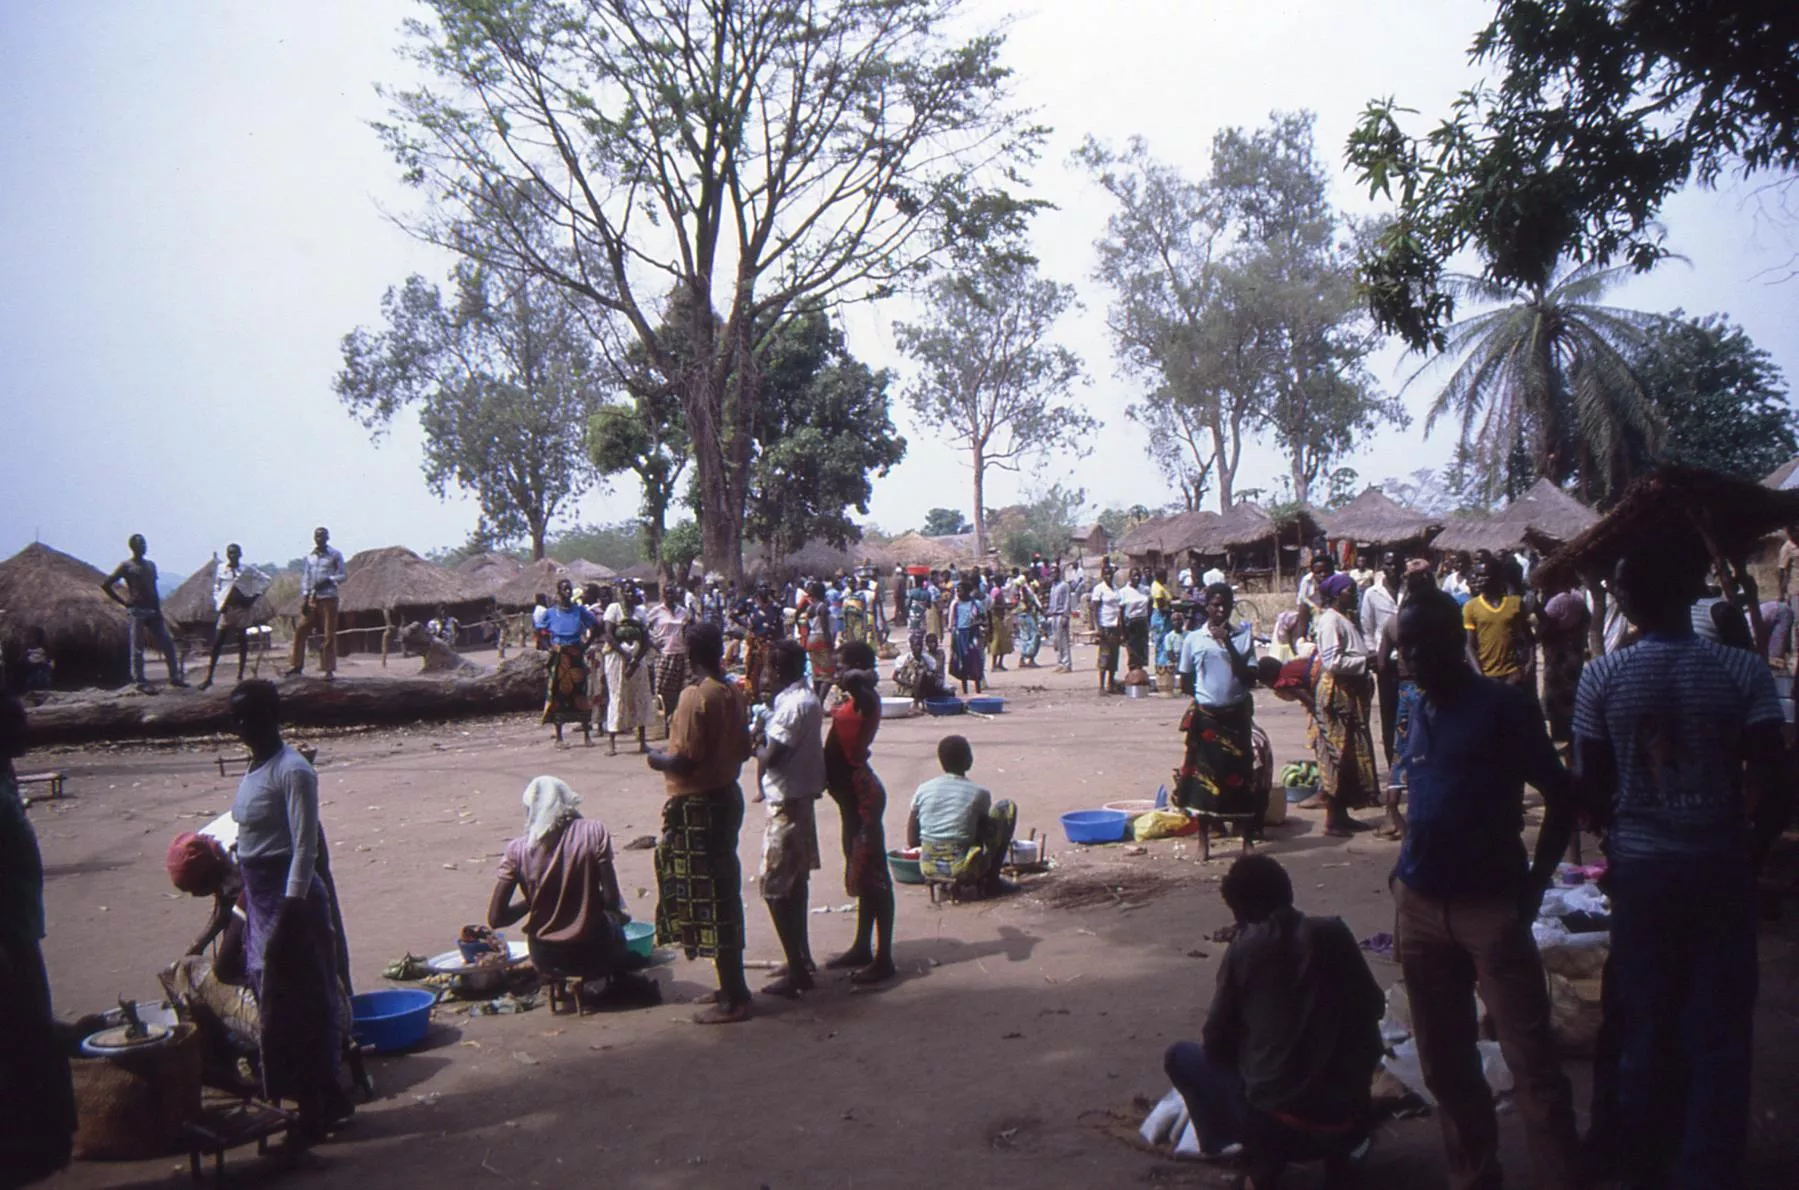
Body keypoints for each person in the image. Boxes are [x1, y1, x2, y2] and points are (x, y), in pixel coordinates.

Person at [1573, 548, 1790, 1188]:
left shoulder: (1602, 675)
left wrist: (1620, 837)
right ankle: (1707, 1166)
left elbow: (1589, 787)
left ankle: (1643, 1159)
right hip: (1720, 868)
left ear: (1628, 601)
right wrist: (1747, 852)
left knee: (1644, 1021)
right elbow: (1777, 781)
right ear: (1693, 593)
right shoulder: (1742, 670)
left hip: (1643, 875)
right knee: (1720, 1028)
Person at [1392, 591, 1582, 1190]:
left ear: (1456, 641)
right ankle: (1473, 1175)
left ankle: (1561, 1177)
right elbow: (1426, 795)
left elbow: (1562, 795)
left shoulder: (1503, 708)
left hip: (1491, 909)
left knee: (1531, 1062)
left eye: (1420, 644)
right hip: (1420, 907)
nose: (1409, 658)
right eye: (1403, 647)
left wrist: (1535, 886)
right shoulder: (1418, 707)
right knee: (1444, 1063)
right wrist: (1402, 873)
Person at [1163, 855, 1383, 1184]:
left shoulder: (1245, 950)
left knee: (1180, 1056)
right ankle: (1341, 1152)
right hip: (1349, 1114)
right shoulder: (1335, 932)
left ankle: (1237, 1148)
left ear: (1241, 912)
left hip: (1279, 1124)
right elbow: (1375, 1006)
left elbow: (1215, 1042)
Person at [228, 680, 353, 1139]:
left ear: (271, 717)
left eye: (247, 716)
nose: (238, 726)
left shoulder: (293, 771)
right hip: (262, 901)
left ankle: (318, 1107)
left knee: (304, 1008)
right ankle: (310, 1102)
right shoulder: (255, 769)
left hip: (291, 905)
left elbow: (304, 849)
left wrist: (287, 914)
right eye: (235, 718)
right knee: (276, 1009)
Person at [648, 623, 754, 1024]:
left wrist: (656, 759)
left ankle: (733, 998)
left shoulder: (696, 696)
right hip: (726, 796)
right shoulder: (732, 692)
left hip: (699, 806)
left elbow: (684, 760)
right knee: (722, 892)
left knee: (710, 899)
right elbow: (743, 749)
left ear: (690, 653)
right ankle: (732, 986)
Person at [0, 693, 77, 1184]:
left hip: (22, 930)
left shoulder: (6, 778)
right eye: (16, 724)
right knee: (22, 1048)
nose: (27, 730)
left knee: (31, 1042)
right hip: (7, 941)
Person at [489, 777, 650, 1008]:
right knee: (616, 919)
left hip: (545, 956)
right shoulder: (594, 832)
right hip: (595, 951)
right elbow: (611, 899)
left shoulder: (517, 849)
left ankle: (559, 986)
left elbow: (496, 918)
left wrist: (534, 900)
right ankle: (615, 977)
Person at [753, 640, 824, 998]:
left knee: (774, 888)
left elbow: (773, 757)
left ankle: (797, 969)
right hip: (800, 799)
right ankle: (801, 956)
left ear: (778, 670)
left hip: (787, 803)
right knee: (796, 883)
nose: (765, 675)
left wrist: (754, 745)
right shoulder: (805, 699)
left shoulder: (793, 706)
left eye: (768, 668)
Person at [824, 642, 896, 984]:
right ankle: (862, 946)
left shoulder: (866, 698)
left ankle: (884, 959)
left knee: (875, 875)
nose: (837, 671)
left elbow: (856, 677)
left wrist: (856, 672)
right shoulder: (855, 698)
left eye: (842, 664)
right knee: (862, 872)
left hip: (861, 796)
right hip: (850, 798)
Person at [1174, 584, 1264, 832]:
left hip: (1236, 717)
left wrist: (1228, 645)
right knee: (1205, 776)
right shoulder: (1193, 639)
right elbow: (1186, 681)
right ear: (1207, 607)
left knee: (1239, 775)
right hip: (1208, 718)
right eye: (1215, 605)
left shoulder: (1242, 637)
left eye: (1226, 605)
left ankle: (1242, 831)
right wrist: (1207, 698)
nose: (1221, 610)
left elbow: (1248, 678)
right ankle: (1207, 832)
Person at [1304, 574, 1378, 836]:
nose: (1354, 595)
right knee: (1337, 754)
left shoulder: (1345, 618)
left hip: (1350, 694)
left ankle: (1342, 814)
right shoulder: (1330, 621)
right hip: (1337, 695)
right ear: (1336, 594)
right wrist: (1365, 662)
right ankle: (1333, 818)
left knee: (1350, 755)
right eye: (1350, 590)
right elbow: (1332, 661)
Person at [908, 735, 1016, 898]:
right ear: (968, 760)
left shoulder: (923, 789)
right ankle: (992, 880)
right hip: (964, 867)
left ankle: (943, 878)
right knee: (1007, 808)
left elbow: (912, 839)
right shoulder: (979, 793)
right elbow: (981, 832)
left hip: (927, 866)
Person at [102, 532, 186, 691]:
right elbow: (106, 585)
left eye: (144, 544)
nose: (143, 547)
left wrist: (158, 608)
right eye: (140, 544)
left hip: (153, 609)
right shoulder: (126, 566)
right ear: (133, 547)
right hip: (137, 609)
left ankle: (174, 677)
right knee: (137, 647)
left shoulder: (151, 565)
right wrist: (124, 602)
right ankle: (140, 681)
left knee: (167, 643)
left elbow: (153, 588)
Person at [541, 579, 599, 748]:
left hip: (576, 655)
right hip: (559, 656)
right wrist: (549, 647)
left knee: (581, 693)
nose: (567, 592)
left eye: (569, 589)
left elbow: (596, 626)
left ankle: (587, 736)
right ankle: (559, 738)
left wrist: (586, 646)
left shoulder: (579, 610)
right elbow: (541, 631)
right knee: (558, 695)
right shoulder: (551, 613)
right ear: (559, 592)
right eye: (564, 589)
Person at [202, 543, 268, 690]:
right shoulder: (221, 569)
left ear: (240, 554)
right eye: (230, 553)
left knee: (242, 641)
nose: (233, 556)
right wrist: (219, 602)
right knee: (218, 642)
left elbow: (265, 580)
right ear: (227, 555)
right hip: (226, 609)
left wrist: (253, 597)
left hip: (240, 609)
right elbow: (216, 587)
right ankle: (209, 677)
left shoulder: (246, 570)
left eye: (235, 553)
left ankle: (240, 676)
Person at [1359, 551, 1404, 765]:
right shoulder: (1372, 594)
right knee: (1389, 715)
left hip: (1409, 663)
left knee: (1409, 715)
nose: (1393, 568)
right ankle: (1391, 763)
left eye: (1396, 564)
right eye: (1388, 564)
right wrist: (1375, 657)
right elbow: (1367, 628)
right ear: (1382, 567)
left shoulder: (1409, 590)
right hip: (1385, 662)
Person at [286, 527, 346, 680]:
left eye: (323, 536)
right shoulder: (310, 557)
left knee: (328, 633)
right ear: (314, 538)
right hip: (313, 598)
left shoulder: (335, 554)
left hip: (329, 597)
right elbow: (306, 577)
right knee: (301, 630)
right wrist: (305, 597)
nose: (320, 539)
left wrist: (329, 580)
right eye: (318, 536)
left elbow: (343, 575)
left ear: (328, 538)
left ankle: (328, 669)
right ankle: (296, 665)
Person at [1536, 583, 1590, 747]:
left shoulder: (1557, 602)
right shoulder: (1578, 599)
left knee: (1556, 698)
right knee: (1570, 697)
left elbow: (1544, 630)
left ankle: (1562, 738)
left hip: (1558, 660)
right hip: (1574, 656)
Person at [602, 588, 654, 755]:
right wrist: (625, 655)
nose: (629, 595)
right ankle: (612, 744)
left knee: (640, 696)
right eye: (626, 592)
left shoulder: (640, 612)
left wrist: (635, 661)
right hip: (616, 657)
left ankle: (643, 742)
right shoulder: (613, 609)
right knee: (617, 695)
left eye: (632, 592)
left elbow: (646, 640)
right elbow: (609, 635)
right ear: (621, 594)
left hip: (637, 658)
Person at [1463, 559, 1531, 685]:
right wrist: (1481, 676)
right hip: (1487, 676)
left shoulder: (1515, 603)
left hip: (1512, 675)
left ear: (1496, 576)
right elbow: (1469, 645)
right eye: (1476, 575)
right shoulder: (1470, 607)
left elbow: (1528, 638)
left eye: (1483, 575)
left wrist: (1526, 667)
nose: (1478, 579)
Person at [646, 583, 693, 725]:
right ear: (663, 595)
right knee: (662, 689)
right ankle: (665, 720)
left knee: (681, 689)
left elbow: (689, 629)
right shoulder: (656, 611)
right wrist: (654, 644)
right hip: (664, 654)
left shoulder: (683, 612)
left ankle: (677, 720)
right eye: (668, 593)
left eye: (673, 593)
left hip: (681, 653)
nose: (671, 596)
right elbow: (644, 630)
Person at [948, 578, 986, 695]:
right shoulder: (955, 604)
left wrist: (977, 623)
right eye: (957, 590)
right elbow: (951, 623)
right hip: (960, 634)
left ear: (967, 591)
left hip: (973, 634)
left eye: (959, 590)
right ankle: (965, 690)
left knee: (975, 661)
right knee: (963, 662)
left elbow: (983, 619)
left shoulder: (976, 604)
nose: (957, 593)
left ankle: (978, 689)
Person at [1091, 567, 1123, 693]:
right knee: (1104, 656)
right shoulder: (1099, 589)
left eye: (1110, 574)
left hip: (1115, 626)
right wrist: (1098, 627)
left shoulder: (1116, 589)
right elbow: (1095, 609)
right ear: (1103, 576)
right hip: (1105, 625)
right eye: (1106, 574)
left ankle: (1111, 683)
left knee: (1114, 656)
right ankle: (1101, 686)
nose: (1109, 576)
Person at [1047, 569, 1075, 673]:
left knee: (1063, 640)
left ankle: (1067, 664)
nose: (1052, 575)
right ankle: (1060, 663)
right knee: (1056, 641)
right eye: (1051, 573)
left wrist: (1065, 616)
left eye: (1054, 573)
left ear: (1058, 573)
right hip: (1053, 615)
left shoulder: (1064, 586)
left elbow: (1067, 601)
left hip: (1061, 615)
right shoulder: (1053, 586)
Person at [1150, 570, 1174, 668]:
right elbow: (1161, 607)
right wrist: (1174, 609)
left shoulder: (1158, 586)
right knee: (1162, 643)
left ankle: (1162, 665)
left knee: (1163, 642)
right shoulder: (1158, 589)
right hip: (1161, 617)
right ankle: (1161, 666)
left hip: (1162, 616)